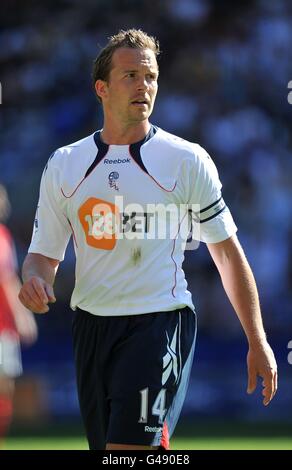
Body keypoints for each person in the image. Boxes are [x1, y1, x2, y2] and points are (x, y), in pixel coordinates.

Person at [18, 29, 277, 451]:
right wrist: (33, 280)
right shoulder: (65, 164)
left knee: (129, 451)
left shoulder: (186, 160)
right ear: (101, 89)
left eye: (151, 76)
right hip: (91, 328)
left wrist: (257, 337)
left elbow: (228, 256)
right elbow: (42, 257)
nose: (144, 86)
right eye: (131, 75)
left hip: (159, 324)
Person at [0, 185, 38, 445]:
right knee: (4, 385)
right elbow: (6, 280)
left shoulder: (4, 235)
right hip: (2, 326)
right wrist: (22, 317)